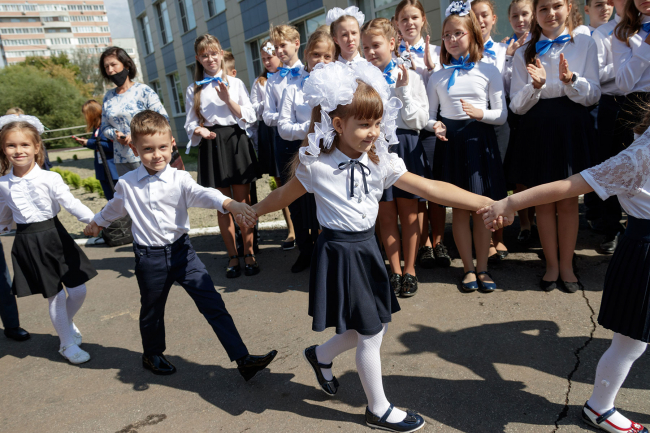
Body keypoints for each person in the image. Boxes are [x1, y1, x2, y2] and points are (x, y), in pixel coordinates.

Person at [251, 61, 493, 433]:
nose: (373, 132)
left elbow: (430, 188)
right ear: (337, 125)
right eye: (364, 124)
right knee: (372, 332)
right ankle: (377, 409)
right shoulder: (316, 165)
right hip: (338, 252)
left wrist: (483, 202)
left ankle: (320, 355)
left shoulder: (381, 160)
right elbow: (283, 194)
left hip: (367, 250)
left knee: (366, 325)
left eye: (377, 123)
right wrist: (252, 211)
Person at [478, 107, 650, 433]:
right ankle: (600, 408)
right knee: (631, 342)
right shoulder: (637, 157)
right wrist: (510, 203)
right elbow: (568, 185)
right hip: (645, 252)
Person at [84, 110, 277, 378]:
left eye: (162, 147)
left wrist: (229, 203)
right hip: (149, 259)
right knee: (152, 310)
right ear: (135, 148)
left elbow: (203, 193)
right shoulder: (127, 184)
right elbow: (115, 208)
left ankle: (243, 359)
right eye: (148, 149)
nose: (157, 155)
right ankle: (152, 355)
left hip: (183, 254)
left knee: (213, 303)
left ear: (172, 143)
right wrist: (97, 222)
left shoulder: (179, 178)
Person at [508, 0, 600, 293]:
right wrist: (534, 87)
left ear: (569, 6)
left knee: (569, 201)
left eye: (557, 6)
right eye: (543, 8)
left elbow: (594, 94)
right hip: (538, 128)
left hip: (572, 125)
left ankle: (567, 267)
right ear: (535, 14)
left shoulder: (585, 43)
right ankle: (550, 265)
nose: (551, 14)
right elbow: (516, 106)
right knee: (544, 202)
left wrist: (572, 80)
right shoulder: (524, 51)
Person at [426, 1, 507, 293]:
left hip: (479, 143)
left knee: (482, 208)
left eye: (457, 33)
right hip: (452, 145)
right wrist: (434, 125)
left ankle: (483, 267)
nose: (451, 39)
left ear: (472, 34)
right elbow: (427, 114)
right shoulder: (437, 76)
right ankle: (468, 269)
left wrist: (479, 114)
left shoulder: (488, 70)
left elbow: (501, 115)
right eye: (446, 35)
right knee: (459, 210)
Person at [0, 121, 97, 364]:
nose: (18, 150)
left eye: (24, 144)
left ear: (36, 147)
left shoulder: (50, 178)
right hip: (29, 242)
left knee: (78, 290)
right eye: (11, 145)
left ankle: (65, 322)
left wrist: (97, 220)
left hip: (57, 236)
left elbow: (71, 203)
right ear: (3, 149)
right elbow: (4, 216)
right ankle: (66, 344)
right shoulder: (2, 185)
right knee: (55, 296)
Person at [362, 18, 429, 298]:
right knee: (385, 213)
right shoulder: (363, 81)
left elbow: (419, 121)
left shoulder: (411, 76)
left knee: (409, 212)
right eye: (365, 47)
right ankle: (395, 269)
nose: (370, 52)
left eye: (375, 45)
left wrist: (402, 90)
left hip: (405, 144)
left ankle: (410, 269)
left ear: (392, 43)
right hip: (376, 149)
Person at [184, 34, 260, 278]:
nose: (210, 59)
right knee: (223, 207)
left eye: (214, 53)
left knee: (243, 204)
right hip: (212, 146)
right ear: (198, 58)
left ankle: (249, 253)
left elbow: (249, 115)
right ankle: (232, 256)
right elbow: (190, 124)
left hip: (236, 142)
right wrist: (199, 129)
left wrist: (228, 100)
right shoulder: (193, 88)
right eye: (204, 55)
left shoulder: (235, 84)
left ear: (220, 53)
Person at [394, 0, 452, 270]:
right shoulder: (393, 54)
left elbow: (445, 87)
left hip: (433, 126)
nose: (409, 23)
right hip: (408, 129)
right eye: (404, 19)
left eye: (414, 17)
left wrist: (431, 67)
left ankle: (440, 240)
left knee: (436, 188)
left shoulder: (439, 51)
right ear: (397, 23)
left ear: (423, 20)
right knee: (416, 191)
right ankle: (425, 242)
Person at [277, 30, 336, 269]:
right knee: (299, 204)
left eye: (327, 56)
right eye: (316, 55)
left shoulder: (338, 87)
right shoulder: (292, 88)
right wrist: (311, 128)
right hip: (299, 152)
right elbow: (283, 127)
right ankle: (305, 249)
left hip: (330, 152)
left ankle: (325, 251)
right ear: (306, 55)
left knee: (323, 202)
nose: (321, 61)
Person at [264, 24, 314, 273]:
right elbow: (268, 115)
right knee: (293, 197)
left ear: (297, 43)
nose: (279, 50)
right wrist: (287, 115)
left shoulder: (310, 72)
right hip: (286, 141)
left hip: (309, 139)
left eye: (283, 44)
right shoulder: (273, 80)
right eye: (276, 47)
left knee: (314, 194)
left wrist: (296, 120)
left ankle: (319, 245)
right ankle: (304, 249)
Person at [585, 0, 627, 255]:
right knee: (613, 165)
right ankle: (612, 228)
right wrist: (631, 60)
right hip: (614, 102)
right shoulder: (602, 34)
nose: (607, 7)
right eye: (598, 3)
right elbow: (598, 73)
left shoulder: (642, 27)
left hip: (643, 98)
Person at [472, 0, 512, 264]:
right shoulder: (464, 51)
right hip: (474, 122)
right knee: (479, 181)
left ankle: (499, 237)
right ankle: (484, 239)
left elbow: (509, 85)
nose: (480, 21)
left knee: (498, 181)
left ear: (494, 18)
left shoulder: (503, 50)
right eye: (474, 16)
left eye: (484, 15)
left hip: (499, 119)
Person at [250, 40, 296, 250]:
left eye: (271, 57)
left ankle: (307, 228)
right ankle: (291, 229)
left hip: (293, 129)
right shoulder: (260, 82)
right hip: (270, 132)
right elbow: (255, 111)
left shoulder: (294, 75)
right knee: (280, 181)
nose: (268, 61)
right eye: (264, 58)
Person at [99, 46, 169, 176]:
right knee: (131, 195)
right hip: (121, 159)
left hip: (148, 156)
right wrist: (115, 134)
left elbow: (163, 119)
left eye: (113, 64)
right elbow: (104, 127)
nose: (110, 70)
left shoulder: (143, 91)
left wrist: (136, 134)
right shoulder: (108, 97)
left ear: (126, 65)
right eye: (106, 67)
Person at [502, 0, 536, 245]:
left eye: (525, 14)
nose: (520, 20)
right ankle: (525, 223)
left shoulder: (540, 42)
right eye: (515, 16)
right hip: (518, 114)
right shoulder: (507, 47)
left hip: (541, 112)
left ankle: (542, 219)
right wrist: (508, 57)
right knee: (522, 172)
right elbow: (505, 87)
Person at [74, 100, 119, 200]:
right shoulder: (96, 128)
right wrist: (86, 143)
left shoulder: (106, 127)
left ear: (92, 114)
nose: (85, 118)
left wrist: (89, 142)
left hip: (112, 170)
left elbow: (112, 146)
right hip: (102, 170)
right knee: (110, 200)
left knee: (117, 199)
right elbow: (97, 145)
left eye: (85, 114)